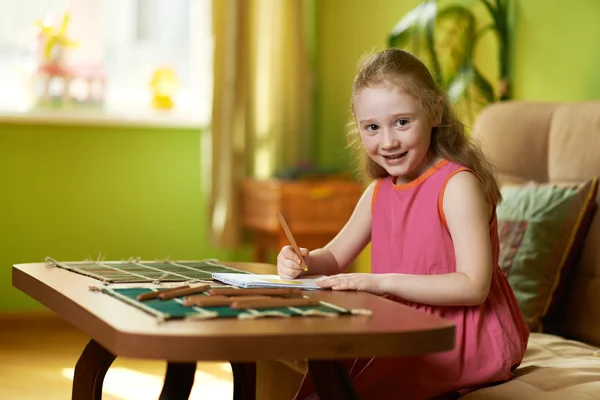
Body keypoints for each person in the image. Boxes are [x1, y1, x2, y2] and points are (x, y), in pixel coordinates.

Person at [276, 48, 530, 399]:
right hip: (399, 327)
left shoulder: (457, 186)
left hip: (460, 334)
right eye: (372, 128)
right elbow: (332, 259)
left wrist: (381, 283)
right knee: (324, 385)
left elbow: (474, 286)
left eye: (402, 122)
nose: (388, 141)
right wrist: (301, 261)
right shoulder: (378, 192)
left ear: (435, 111)